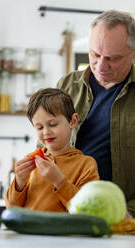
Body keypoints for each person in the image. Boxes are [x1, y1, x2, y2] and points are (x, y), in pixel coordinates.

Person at [57, 9, 135, 218]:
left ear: (133, 53)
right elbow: (45, 147)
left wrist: (130, 212)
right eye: (95, 54)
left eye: (112, 58)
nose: (101, 66)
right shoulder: (67, 86)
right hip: (65, 209)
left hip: (124, 215)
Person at [5, 88, 99, 212]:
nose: (46, 132)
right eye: (39, 127)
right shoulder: (30, 162)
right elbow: (11, 209)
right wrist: (19, 182)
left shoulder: (86, 165)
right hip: (28, 231)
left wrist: (59, 181)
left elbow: (87, 209)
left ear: (73, 121)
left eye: (53, 124)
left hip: (65, 231)